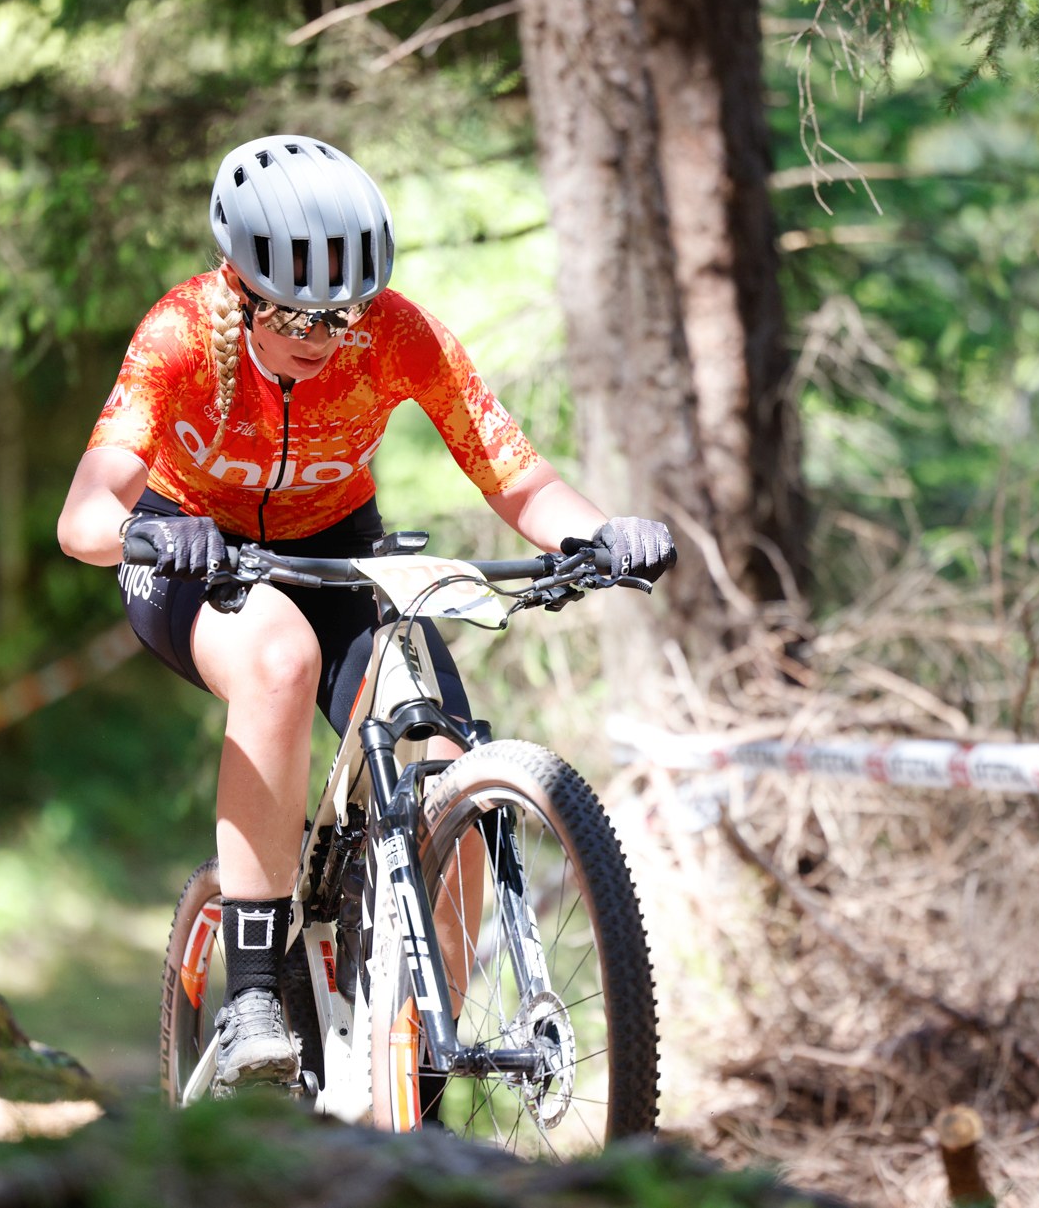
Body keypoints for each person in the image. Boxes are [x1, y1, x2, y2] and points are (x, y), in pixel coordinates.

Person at [56, 133, 676, 1087]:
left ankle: (425, 1059)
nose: (321, 335)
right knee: (277, 659)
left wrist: (597, 534)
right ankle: (252, 995)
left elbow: (513, 474)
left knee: (447, 757)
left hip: (336, 543)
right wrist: (148, 530)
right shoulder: (180, 333)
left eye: (343, 313)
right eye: (293, 313)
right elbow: (83, 516)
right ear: (238, 285)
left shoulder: (397, 334)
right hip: (192, 548)